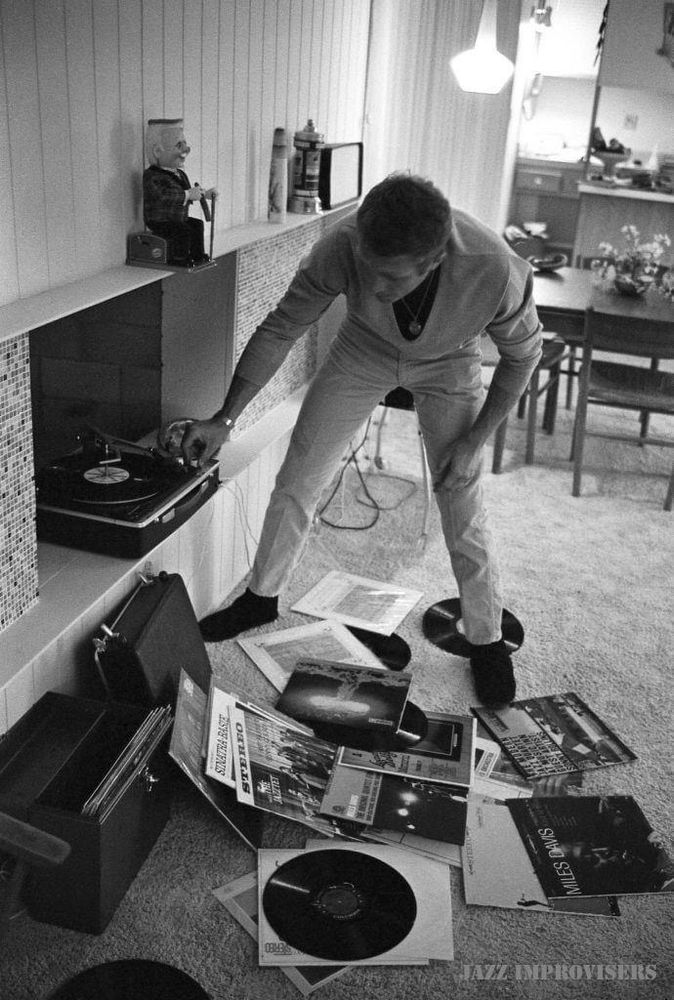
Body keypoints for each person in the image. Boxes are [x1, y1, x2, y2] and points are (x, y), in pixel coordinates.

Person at [178, 173, 542, 706]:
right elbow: (282, 327)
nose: (373, 287)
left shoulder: (495, 270)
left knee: (459, 494)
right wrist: (225, 419)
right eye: (369, 271)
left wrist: (474, 443)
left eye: (391, 278)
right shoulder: (343, 245)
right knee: (299, 473)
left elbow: (523, 356)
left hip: (450, 362)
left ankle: (485, 638)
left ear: (433, 261)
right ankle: (261, 597)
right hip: (362, 351)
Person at [142, 118, 217, 265]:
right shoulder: (152, 176)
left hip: (177, 218)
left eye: (185, 145)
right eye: (179, 145)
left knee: (196, 225)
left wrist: (204, 194)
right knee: (182, 231)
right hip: (160, 220)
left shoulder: (179, 173)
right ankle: (179, 258)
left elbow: (188, 192)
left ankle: (197, 255)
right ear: (158, 151)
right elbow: (162, 197)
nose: (186, 150)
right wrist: (188, 194)